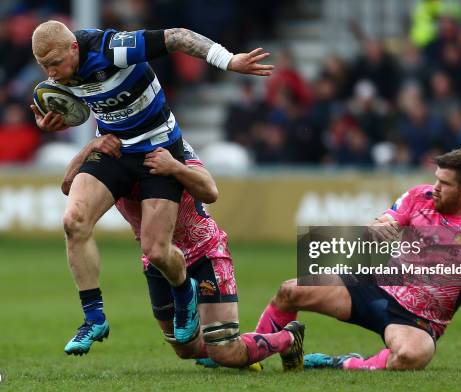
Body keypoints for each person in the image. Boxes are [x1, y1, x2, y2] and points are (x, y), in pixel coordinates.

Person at [30, 20, 273, 355]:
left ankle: (183, 290)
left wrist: (227, 60)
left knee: (156, 250)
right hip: (115, 148)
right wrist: (53, 122)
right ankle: (94, 316)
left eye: (55, 64)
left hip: (158, 150)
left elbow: (178, 37)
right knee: (73, 221)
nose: (52, 74)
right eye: (44, 67)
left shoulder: (111, 49)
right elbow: (76, 114)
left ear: (73, 47)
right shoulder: (59, 76)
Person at [254, 148, 461, 372]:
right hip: (376, 287)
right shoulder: (419, 195)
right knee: (290, 290)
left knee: (412, 356)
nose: (435, 187)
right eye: (436, 178)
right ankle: (255, 355)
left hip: (417, 320)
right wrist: (378, 226)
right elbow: (384, 221)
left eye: (444, 183)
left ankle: (341, 363)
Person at [62, 134, 305, 371]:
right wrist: (89, 148)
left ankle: (288, 338)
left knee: (226, 351)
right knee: (184, 348)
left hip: (204, 252)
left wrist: (174, 167)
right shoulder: (108, 151)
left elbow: (210, 191)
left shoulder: (166, 143)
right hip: (159, 260)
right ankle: (227, 351)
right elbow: (67, 187)